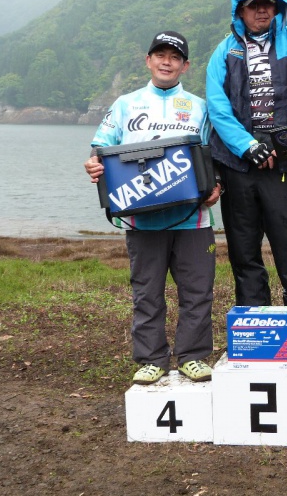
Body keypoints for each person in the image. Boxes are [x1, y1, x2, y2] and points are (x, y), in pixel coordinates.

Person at [84, 31, 221, 385]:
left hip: (193, 219)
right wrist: (94, 166)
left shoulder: (200, 106)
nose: (166, 61)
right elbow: (100, 150)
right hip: (141, 220)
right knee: (146, 294)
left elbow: (213, 158)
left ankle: (193, 356)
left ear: (185, 66)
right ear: (148, 60)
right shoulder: (125, 104)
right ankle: (152, 359)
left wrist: (216, 186)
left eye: (174, 57)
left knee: (197, 292)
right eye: (159, 55)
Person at [205, 0, 287, 354]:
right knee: (243, 249)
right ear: (239, 9)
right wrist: (247, 146)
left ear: (277, 7)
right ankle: (254, 327)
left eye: (267, 4)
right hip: (239, 168)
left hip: (285, 166)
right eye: (253, 5)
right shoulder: (223, 51)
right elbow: (217, 107)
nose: (261, 11)